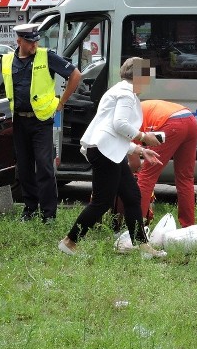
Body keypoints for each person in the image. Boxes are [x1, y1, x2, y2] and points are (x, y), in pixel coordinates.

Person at [58, 57, 166, 259]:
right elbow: (119, 125)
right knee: (102, 201)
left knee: (132, 196)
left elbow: (113, 132)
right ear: (137, 76)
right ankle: (70, 241)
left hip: (108, 150)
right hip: (104, 152)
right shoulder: (125, 93)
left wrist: (140, 150)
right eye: (147, 77)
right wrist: (144, 138)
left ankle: (142, 246)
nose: (149, 82)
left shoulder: (124, 91)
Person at [2, 23, 81, 223]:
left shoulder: (46, 56)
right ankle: (29, 210)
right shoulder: (7, 60)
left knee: (44, 166)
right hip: (19, 119)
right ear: (19, 41)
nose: (34, 44)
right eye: (30, 41)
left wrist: (62, 102)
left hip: (42, 120)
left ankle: (49, 214)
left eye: (36, 40)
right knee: (24, 167)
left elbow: (75, 75)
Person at [135, 100, 197, 228]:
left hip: (171, 123)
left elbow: (134, 164)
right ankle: (188, 228)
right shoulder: (136, 109)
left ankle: (137, 229)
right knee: (186, 178)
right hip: (190, 119)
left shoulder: (125, 124)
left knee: (146, 177)